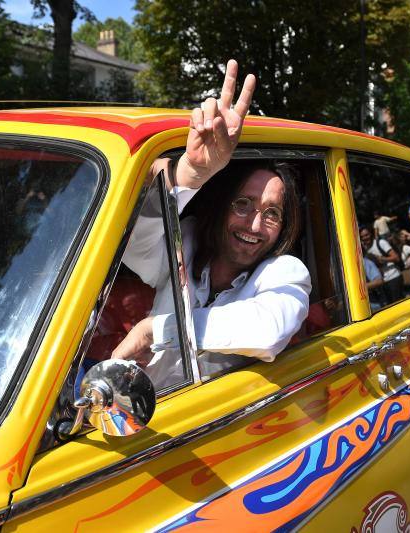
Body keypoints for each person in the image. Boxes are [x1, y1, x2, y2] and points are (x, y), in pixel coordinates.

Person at [109, 60, 311, 388]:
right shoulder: (185, 241)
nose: (255, 225)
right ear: (222, 207)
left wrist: (153, 331)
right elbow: (135, 247)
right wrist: (190, 173)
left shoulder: (286, 272)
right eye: (243, 205)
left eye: (271, 213)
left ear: (284, 227)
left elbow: (267, 332)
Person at [359, 226, 403, 304]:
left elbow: (396, 258)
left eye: (367, 235)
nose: (365, 238)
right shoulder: (365, 249)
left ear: (371, 234)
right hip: (382, 282)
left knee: (398, 305)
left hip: (393, 277)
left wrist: (382, 259)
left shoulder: (380, 243)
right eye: (362, 237)